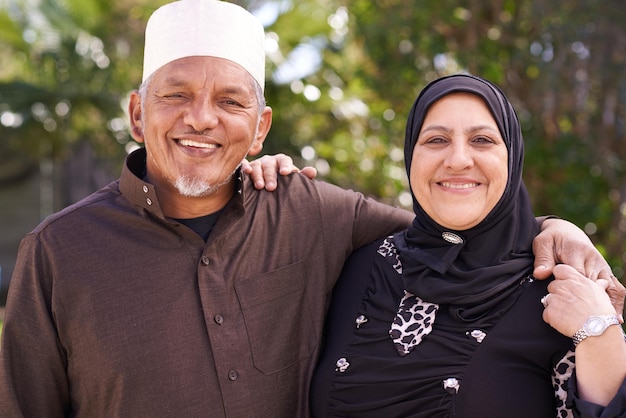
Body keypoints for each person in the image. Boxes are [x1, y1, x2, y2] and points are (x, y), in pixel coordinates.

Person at [0, 1, 619, 417]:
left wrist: (549, 229)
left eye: (231, 101)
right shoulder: (59, 253)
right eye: (176, 95)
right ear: (138, 112)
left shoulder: (313, 212)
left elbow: (452, 226)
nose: (202, 119)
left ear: (261, 126)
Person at [310, 74, 626, 417]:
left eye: (481, 140)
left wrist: (598, 331)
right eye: (436, 140)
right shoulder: (356, 266)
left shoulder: (563, 293)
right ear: (410, 156)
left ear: (513, 157)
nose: (458, 159)